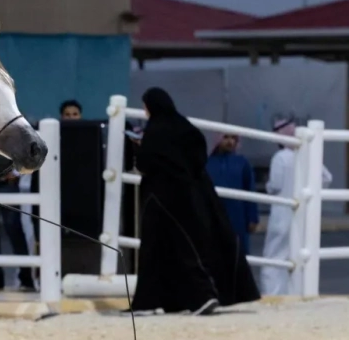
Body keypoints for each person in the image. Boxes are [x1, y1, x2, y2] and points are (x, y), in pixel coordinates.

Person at [130, 87, 259, 314]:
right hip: (196, 196)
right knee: (192, 245)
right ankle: (180, 300)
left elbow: (144, 164)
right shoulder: (186, 127)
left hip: (161, 200)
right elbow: (197, 158)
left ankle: (197, 298)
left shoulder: (156, 130)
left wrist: (140, 150)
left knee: (167, 249)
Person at [260, 118, 331, 294]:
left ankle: (272, 294)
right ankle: (293, 293)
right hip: (303, 213)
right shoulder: (306, 157)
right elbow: (327, 178)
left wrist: (268, 186)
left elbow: (274, 185)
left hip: (280, 213)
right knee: (296, 255)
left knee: (273, 256)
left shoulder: (280, 157)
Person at [205, 133, 259, 258]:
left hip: (238, 216)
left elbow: (249, 189)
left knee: (238, 253)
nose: (230, 142)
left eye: (233, 138)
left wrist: (252, 218)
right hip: (214, 215)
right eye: (226, 138)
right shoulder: (208, 164)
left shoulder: (242, 163)